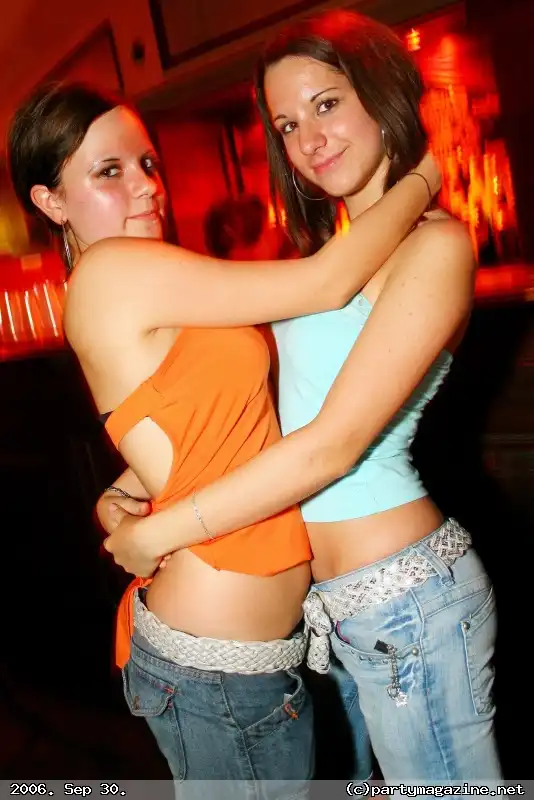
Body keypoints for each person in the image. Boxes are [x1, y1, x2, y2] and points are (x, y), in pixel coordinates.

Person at [99, 10, 501, 783]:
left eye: (326, 103)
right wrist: (131, 486)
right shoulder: (320, 257)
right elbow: (266, 406)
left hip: (406, 602)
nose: (309, 138)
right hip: (330, 616)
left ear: (381, 96)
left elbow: (332, 444)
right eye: (287, 124)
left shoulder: (438, 244)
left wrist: (162, 533)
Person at [8, 80, 440, 792]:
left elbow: (195, 422)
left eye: (147, 163)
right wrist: (424, 176)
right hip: (214, 665)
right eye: (109, 171)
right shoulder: (113, 271)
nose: (147, 185)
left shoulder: (147, 272)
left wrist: (124, 487)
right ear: (51, 202)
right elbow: (328, 280)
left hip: (236, 657)